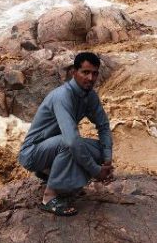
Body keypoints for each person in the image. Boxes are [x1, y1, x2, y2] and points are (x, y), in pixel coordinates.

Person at [18, 52, 114, 216]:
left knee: (98, 149)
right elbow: (71, 141)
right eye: (85, 72)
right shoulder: (62, 96)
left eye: (94, 73)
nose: (90, 78)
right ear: (73, 72)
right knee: (70, 143)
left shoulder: (90, 96)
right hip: (32, 153)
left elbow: (103, 126)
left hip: (52, 148)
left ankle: (50, 173)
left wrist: (107, 160)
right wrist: (95, 171)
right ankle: (49, 197)